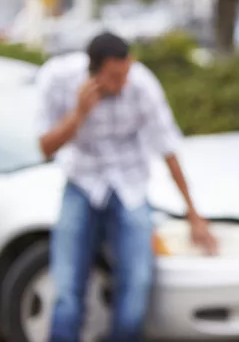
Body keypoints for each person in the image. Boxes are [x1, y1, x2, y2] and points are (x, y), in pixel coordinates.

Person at [36, 32, 218, 342]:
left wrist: (194, 214)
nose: (123, 83)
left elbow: (167, 148)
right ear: (92, 73)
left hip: (130, 184)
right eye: (114, 77)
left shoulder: (142, 85)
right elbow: (46, 148)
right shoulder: (58, 78)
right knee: (66, 287)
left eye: (126, 73)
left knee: (137, 282)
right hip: (82, 180)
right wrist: (78, 114)